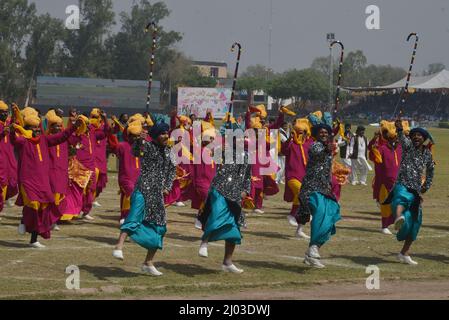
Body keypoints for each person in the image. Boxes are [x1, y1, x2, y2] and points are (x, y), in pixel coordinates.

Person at [10, 107, 80, 247]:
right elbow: (14, 142)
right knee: (33, 205)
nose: (36, 130)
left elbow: (62, 137)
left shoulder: (45, 139)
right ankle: (25, 222)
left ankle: (34, 239)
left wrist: (73, 127)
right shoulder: (24, 141)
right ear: (27, 128)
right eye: (33, 128)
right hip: (28, 180)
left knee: (44, 207)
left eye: (38, 127)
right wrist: (12, 132)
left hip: (43, 181)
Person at [112, 122, 176, 276]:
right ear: (154, 136)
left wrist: (167, 186)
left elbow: (171, 171)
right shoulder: (148, 147)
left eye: (166, 133)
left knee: (160, 227)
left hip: (157, 195)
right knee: (134, 215)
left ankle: (148, 262)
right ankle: (119, 246)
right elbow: (135, 152)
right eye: (162, 133)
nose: (165, 136)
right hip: (142, 189)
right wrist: (140, 141)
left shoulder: (169, 152)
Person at [197, 126, 251, 273]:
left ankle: (227, 262)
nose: (239, 140)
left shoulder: (246, 156)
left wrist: (246, 190)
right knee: (217, 215)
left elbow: (247, 176)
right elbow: (210, 151)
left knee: (233, 229)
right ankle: (204, 242)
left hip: (235, 195)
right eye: (236, 137)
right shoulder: (223, 150)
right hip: (219, 189)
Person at [383, 121, 435, 265]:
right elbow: (402, 137)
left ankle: (404, 253)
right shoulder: (408, 147)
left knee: (415, 222)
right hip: (402, 184)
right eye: (414, 135)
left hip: (416, 190)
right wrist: (399, 129)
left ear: (424, 138)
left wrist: (427, 185)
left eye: (420, 135)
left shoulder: (427, 153)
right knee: (401, 199)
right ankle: (398, 217)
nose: (417, 137)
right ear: (411, 138)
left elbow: (431, 169)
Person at [299, 124, 341, 268]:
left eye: (326, 132)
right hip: (312, 188)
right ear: (316, 135)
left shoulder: (327, 147)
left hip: (325, 189)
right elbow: (320, 151)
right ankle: (313, 249)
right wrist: (329, 146)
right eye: (321, 132)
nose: (323, 134)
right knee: (320, 214)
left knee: (330, 219)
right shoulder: (315, 146)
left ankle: (312, 251)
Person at [368, 121, 402, 235]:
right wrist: (374, 144)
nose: (395, 140)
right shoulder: (382, 148)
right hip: (384, 182)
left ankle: (397, 221)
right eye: (393, 138)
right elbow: (373, 156)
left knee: (399, 202)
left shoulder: (400, 149)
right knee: (385, 204)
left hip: (398, 181)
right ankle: (384, 225)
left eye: (397, 138)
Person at [282, 118, 313, 238]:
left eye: (302, 133)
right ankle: (292, 214)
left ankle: (299, 230)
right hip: (292, 176)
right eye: (298, 132)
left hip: (305, 177)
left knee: (303, 199)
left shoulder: (309, 144)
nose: (300, 135)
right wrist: (290, 138)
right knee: (301, 193)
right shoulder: (291, 144)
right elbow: (284, 150)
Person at [108, 120, 142, 224]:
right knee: (130, 192)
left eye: (137, 136)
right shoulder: (122, 146)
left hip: (138, 177)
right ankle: (126, 216)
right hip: (125, 177)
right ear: (128, 135)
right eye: (133, 136)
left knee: (129, 196)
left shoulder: (142, 146)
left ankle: (128, 215)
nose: (135, 138)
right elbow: (113, 147)